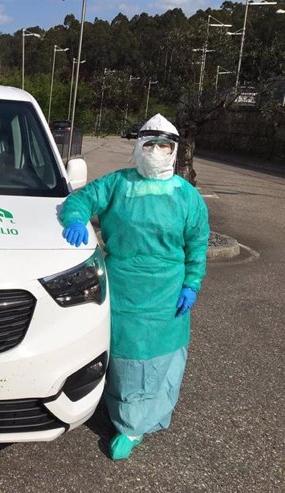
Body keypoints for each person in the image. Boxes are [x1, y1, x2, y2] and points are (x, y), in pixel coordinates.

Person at [59, 113, 209, 460]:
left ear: (173, 151)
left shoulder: (187, 197)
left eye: (164, 145)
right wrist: (77, 219)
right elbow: (81, 199)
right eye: (150, 144)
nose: (156, 151)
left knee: (159, 361)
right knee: (126, 359)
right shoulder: (118, 184)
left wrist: (192, 283)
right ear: (139, 146)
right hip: (124, 289)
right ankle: (123, 413)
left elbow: (197, 245)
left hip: (167, 294)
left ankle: (133, 425)